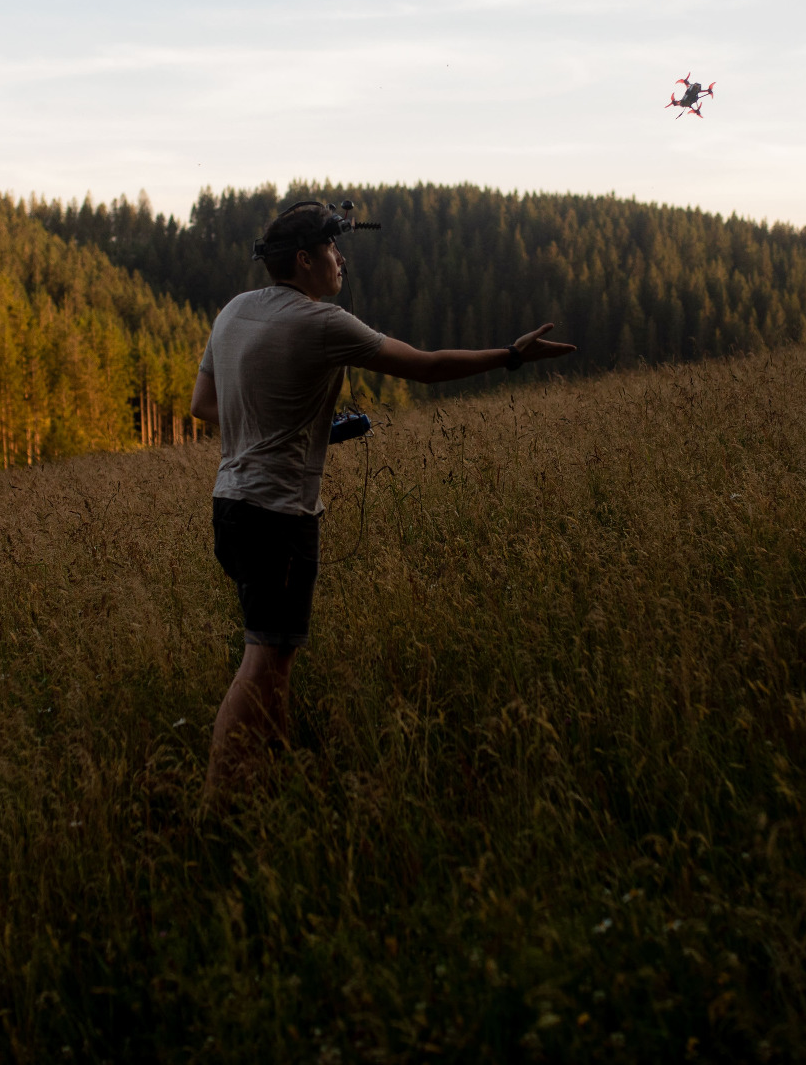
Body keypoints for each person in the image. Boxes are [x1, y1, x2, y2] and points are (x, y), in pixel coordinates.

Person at [190, 200, 575, 797]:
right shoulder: (324, 323)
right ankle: (219, 802)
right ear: (304, 260)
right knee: (262, 661)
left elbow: (206, 407)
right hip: (279, 517)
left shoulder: (234, 312)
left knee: (277, 656)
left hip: (231, 509)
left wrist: (302, 428)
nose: (341, 260)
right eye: (332, 251)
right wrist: (513, 355)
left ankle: (275, 784)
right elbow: (424, 368)